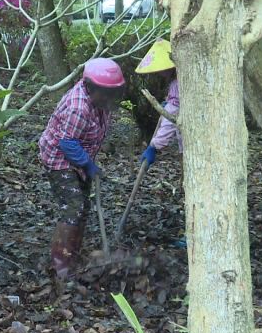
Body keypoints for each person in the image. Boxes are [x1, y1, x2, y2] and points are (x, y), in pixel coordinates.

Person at [39, 58, 126, 279]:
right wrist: (88, 165)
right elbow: (67, 142)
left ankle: (74, 253)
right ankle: (60, 263)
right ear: (90, 87)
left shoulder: (100, 103)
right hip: (59, 158)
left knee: (84, 206)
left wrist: (87, 164)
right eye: (105, 92)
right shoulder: (79, 107)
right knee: (73, 207)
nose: (109, 98)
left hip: (80, 157)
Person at [136, 38, 180, 170]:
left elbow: (171, 117)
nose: (159, 73)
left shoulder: (179, 83)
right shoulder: (177, 80)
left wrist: (154, 146)